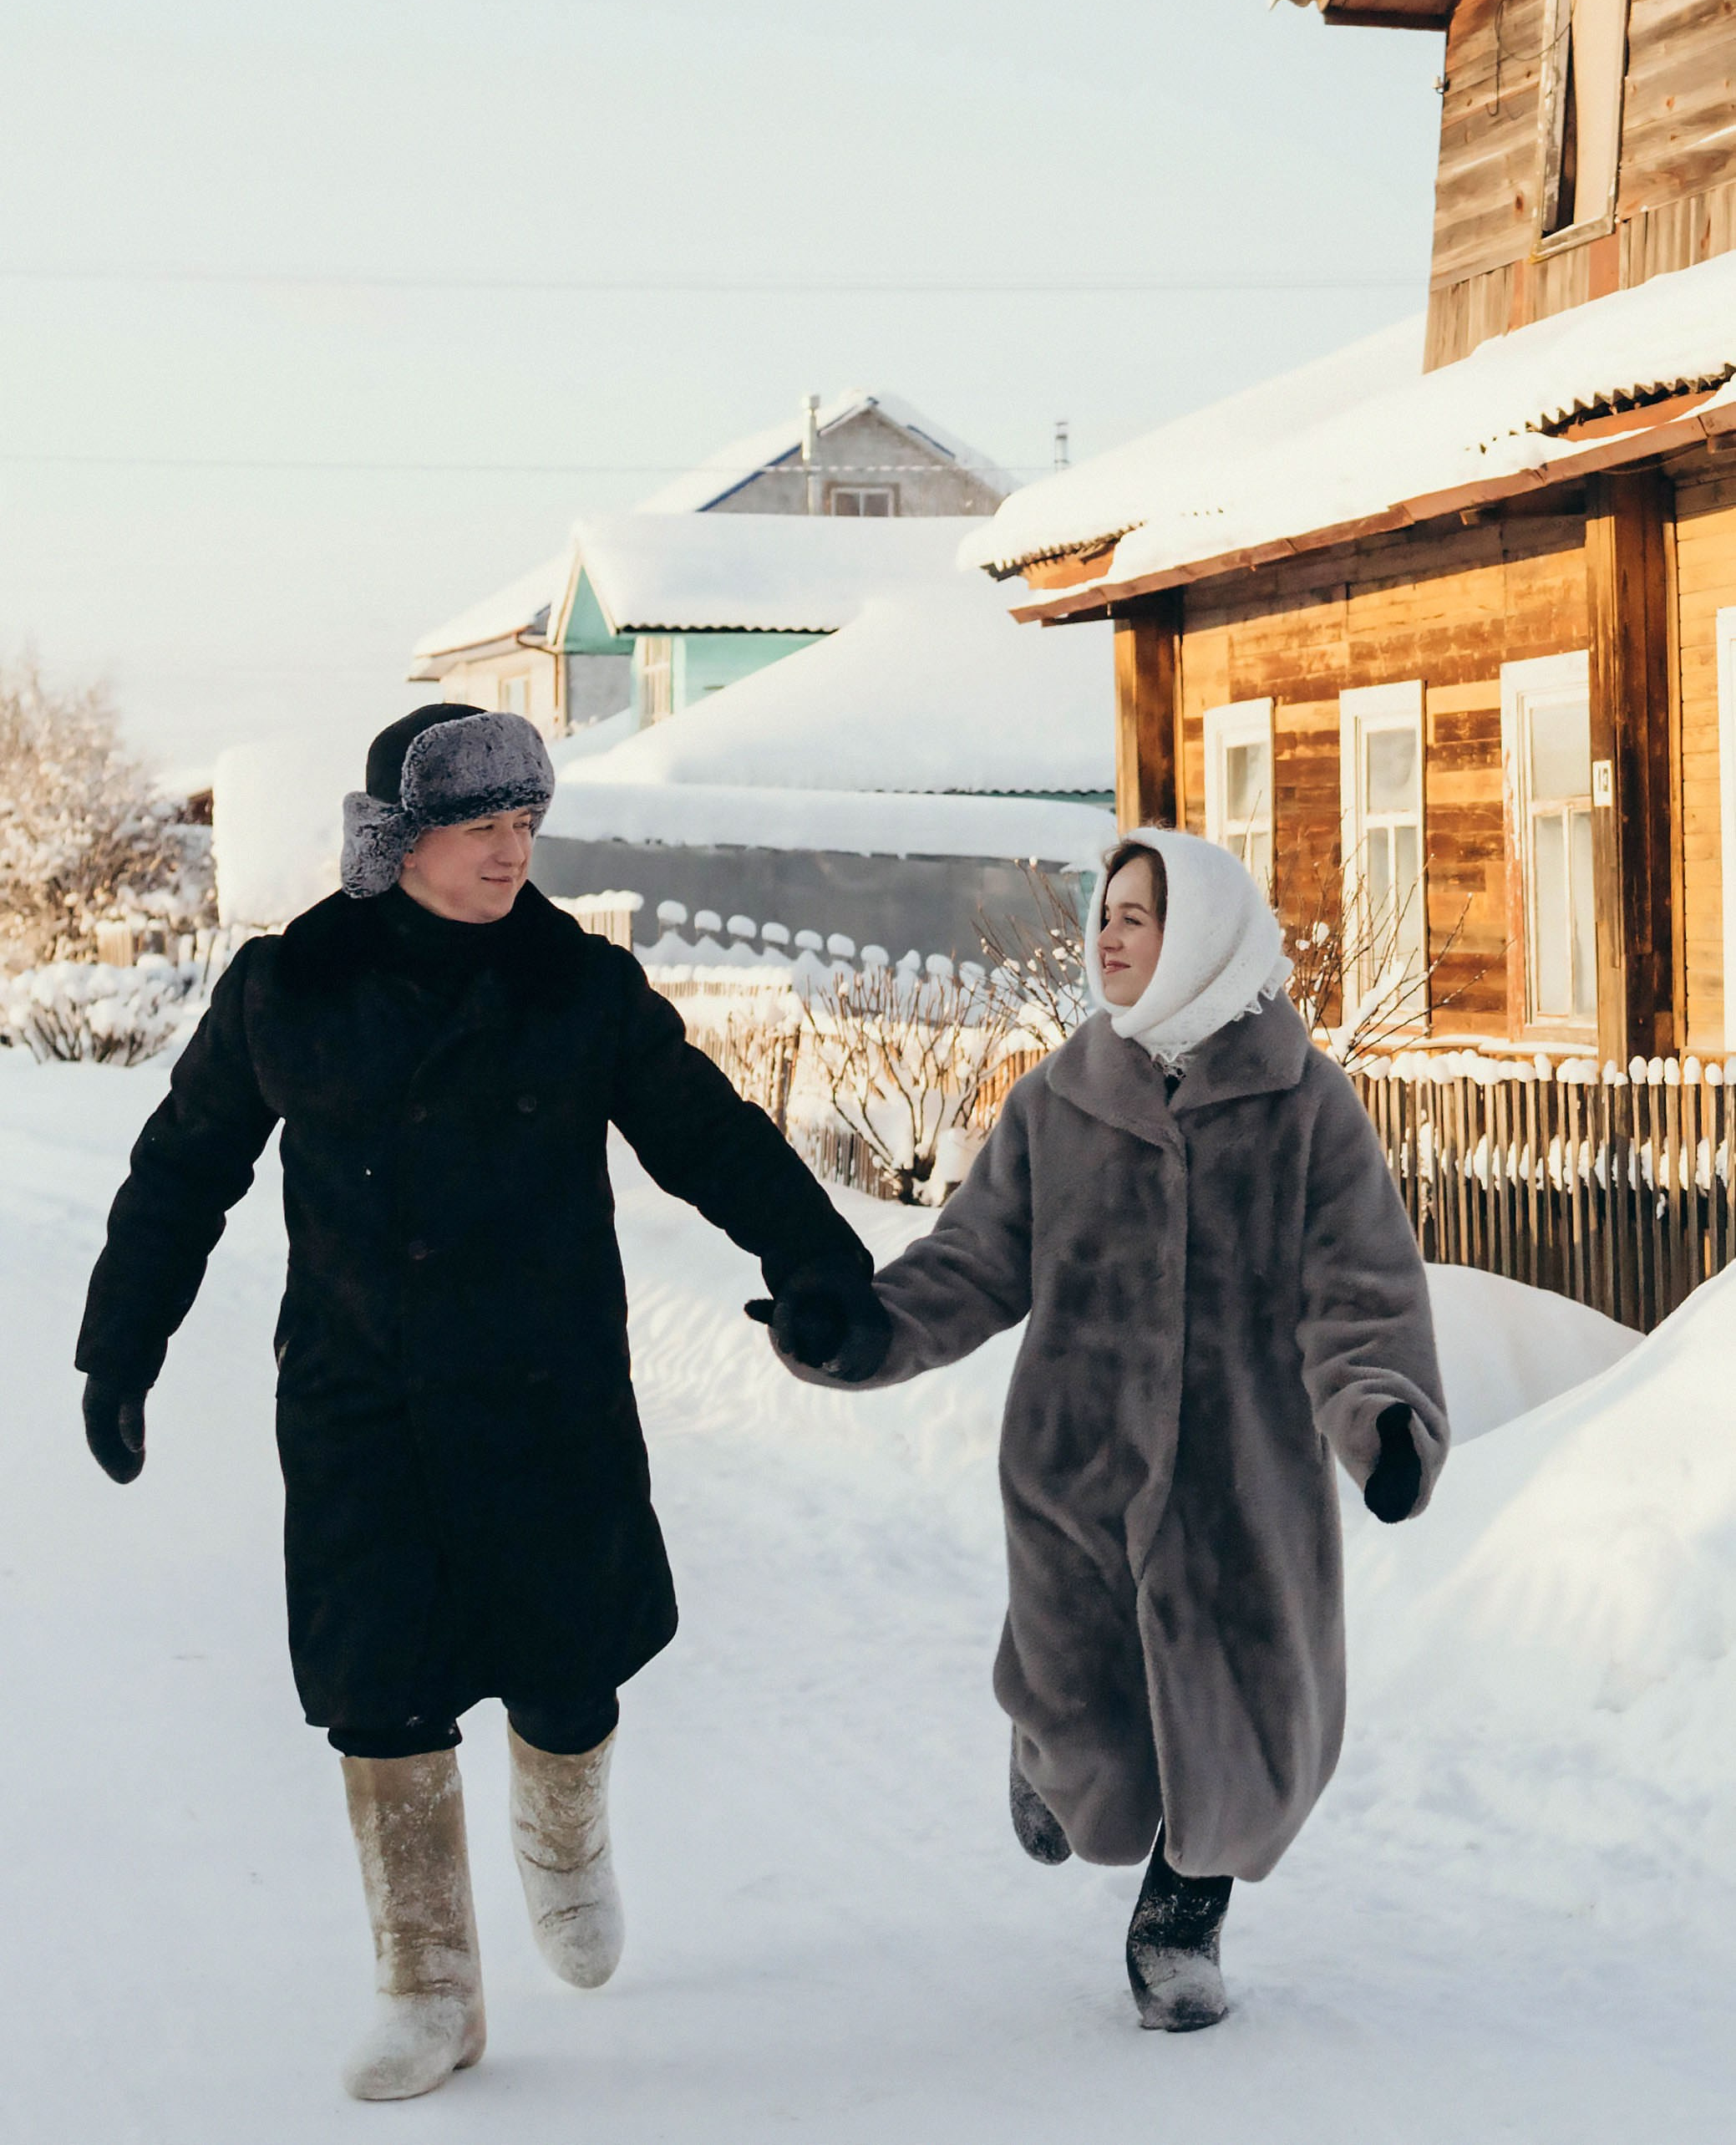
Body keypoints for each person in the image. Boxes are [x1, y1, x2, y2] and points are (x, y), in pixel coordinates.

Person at [75, 703, 879, 2102]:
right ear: (399, 838)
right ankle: (429, 1983)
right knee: (378, 1692)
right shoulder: (289, 987)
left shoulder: (577, 989)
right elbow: (181, 1169)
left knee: (566, 1670)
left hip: (543, 1390)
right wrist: (120, 1345)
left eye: (526, 824)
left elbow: (705, 1130)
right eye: (482, 825)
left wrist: (816, 1258)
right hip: (360, 1401)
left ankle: (564, 1845)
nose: (513, 852)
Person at [761, 827, 1449, 2031]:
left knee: (1248, 1710)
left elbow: (1362, 1288)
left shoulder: (1303, 1104)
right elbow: (974, 1261)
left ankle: (1185, 1912)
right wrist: (862, 1335)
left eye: (1141, 916)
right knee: (1081, 1713)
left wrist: (1382, 1419)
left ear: (1206, 937)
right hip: (1074, 1462)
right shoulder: (1060, 1099)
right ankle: (1041, 1759)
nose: (1112, 937)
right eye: (1109, 916)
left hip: (1242, 1476)